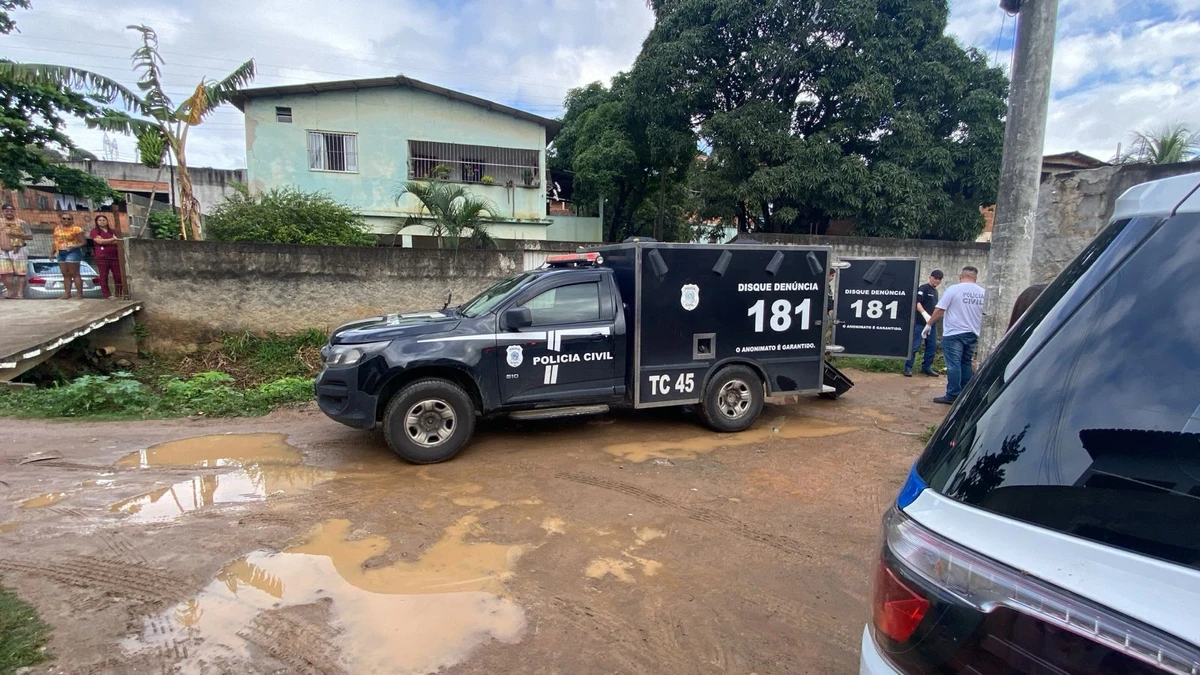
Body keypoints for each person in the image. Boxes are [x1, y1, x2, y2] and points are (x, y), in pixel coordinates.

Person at [921, 266, 985, 404]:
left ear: (960, 276)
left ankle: (952, 394)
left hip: (954, 333)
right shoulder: (982, 292)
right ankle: (965, 394)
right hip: (973, 333)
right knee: (966, 362)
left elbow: (939, 310)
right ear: (975, 278)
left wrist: (929, 324)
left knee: (953, 364)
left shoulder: (954, 289)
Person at [904, 269, 943, 377]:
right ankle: (908, 367)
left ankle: (926, 368)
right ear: (930, 277)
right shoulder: (923, 288)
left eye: (939, 279)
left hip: (932, 324)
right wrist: (925, 314)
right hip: (920, 323)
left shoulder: (935, 292)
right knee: (914, 346)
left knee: (931, 346)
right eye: (936, 278)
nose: (937, 281)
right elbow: (917, 302)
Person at [1, 203, 33, 299]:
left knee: (21, 273)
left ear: (15, 212)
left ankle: (20, 293)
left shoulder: (21, 223)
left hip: (19, 250)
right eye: (7, 211)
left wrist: (15, 234)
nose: (9, 212)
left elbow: (30, 236)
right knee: (5, 273)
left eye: (11, 211)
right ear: (3, 211)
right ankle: (11, 292)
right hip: (3, 251)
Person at [52, 212, 86, 299]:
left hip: (72, 252)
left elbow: (83, 242)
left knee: (75, 273)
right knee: (65, 274)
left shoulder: (76, 229)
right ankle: (67, 293)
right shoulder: (57, 228)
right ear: (60, 219)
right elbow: (55, 241)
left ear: (72, 220)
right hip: (60, 252)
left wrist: (73, 246)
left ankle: (79, 294)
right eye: (64, 218)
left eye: (68, 219)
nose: (66, 220)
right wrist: (52, 252)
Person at [90, 214, 123, 299]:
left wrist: (106, 241)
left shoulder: (113, 231)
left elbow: (119, 242)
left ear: (107, 221)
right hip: (101, 257)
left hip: (115, 256)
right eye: (100, 220)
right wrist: (112, 240)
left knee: (118, 275)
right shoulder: (94, 231)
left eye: (104, 220)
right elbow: (99, 241)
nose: (102, 221)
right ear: (97, 222)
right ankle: (107, 295)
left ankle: (118, 294)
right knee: (103, 276)